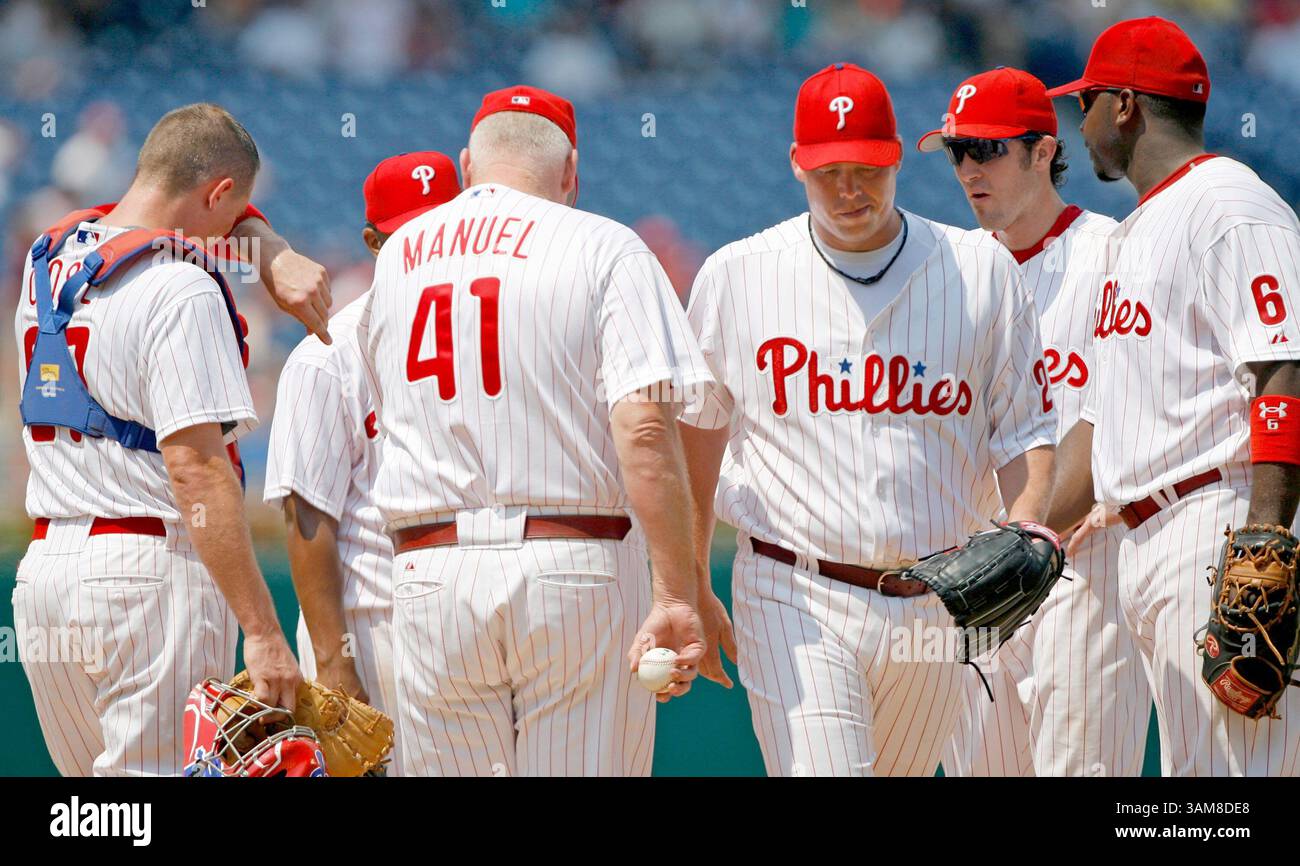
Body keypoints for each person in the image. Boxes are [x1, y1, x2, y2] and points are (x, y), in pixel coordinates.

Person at [676, 63, 1058, 777]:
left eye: (868, 167)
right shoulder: (738, 275)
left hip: (941, 597)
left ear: (899, 156)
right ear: (797, 164)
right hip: (797, 587)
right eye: (830, 171)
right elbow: (699, 435)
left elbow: (1025, 432)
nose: (850, 188)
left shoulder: (979, 268)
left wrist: (1028, 526)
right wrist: (690, 578)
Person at [359, 85, 727, 776]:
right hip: (571, 564)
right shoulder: (604, 245)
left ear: (467, 165)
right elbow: (645, 427)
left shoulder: (398, 257)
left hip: (427, 570)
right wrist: (676, 591)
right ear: (571, 173)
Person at [12, 103, 301, 776]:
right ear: (221, 193)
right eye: (236, 212)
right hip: (146, 578)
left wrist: (264, 241)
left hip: (48, 575)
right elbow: (196, 469)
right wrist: (261, 632)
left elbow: (140, 212)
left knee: (98, 817)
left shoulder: (45, 257)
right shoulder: (182, 288)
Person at [1044, 16, 1300, 776]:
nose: (1076, 121)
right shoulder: (1136, 232)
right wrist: (1027, 532)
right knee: (1199, 783)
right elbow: (1103, 416)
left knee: (1237, 783)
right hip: (1147, 538)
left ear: (1125, 105)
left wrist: (1264, 541)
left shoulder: (1231, 206)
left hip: (1216, 522)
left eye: (1085, 102)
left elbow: (1284, 367)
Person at [918, 67, 1149, 777]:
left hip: (1085, 563)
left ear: (1044, 150)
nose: (967, 169)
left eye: (986, 150)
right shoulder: (947, 274)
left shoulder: (1113, 251)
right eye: (956, 151)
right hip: (981, 570)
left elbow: (1140, 395)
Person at [265, 151, 461, 728]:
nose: (427, 247)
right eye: (407, 236)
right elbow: (307, 514)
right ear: (374, 242)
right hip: (371, 621)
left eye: (441, 226)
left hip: (466, 612)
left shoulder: (491, 333)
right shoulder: (330, 352)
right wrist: (333, 662)